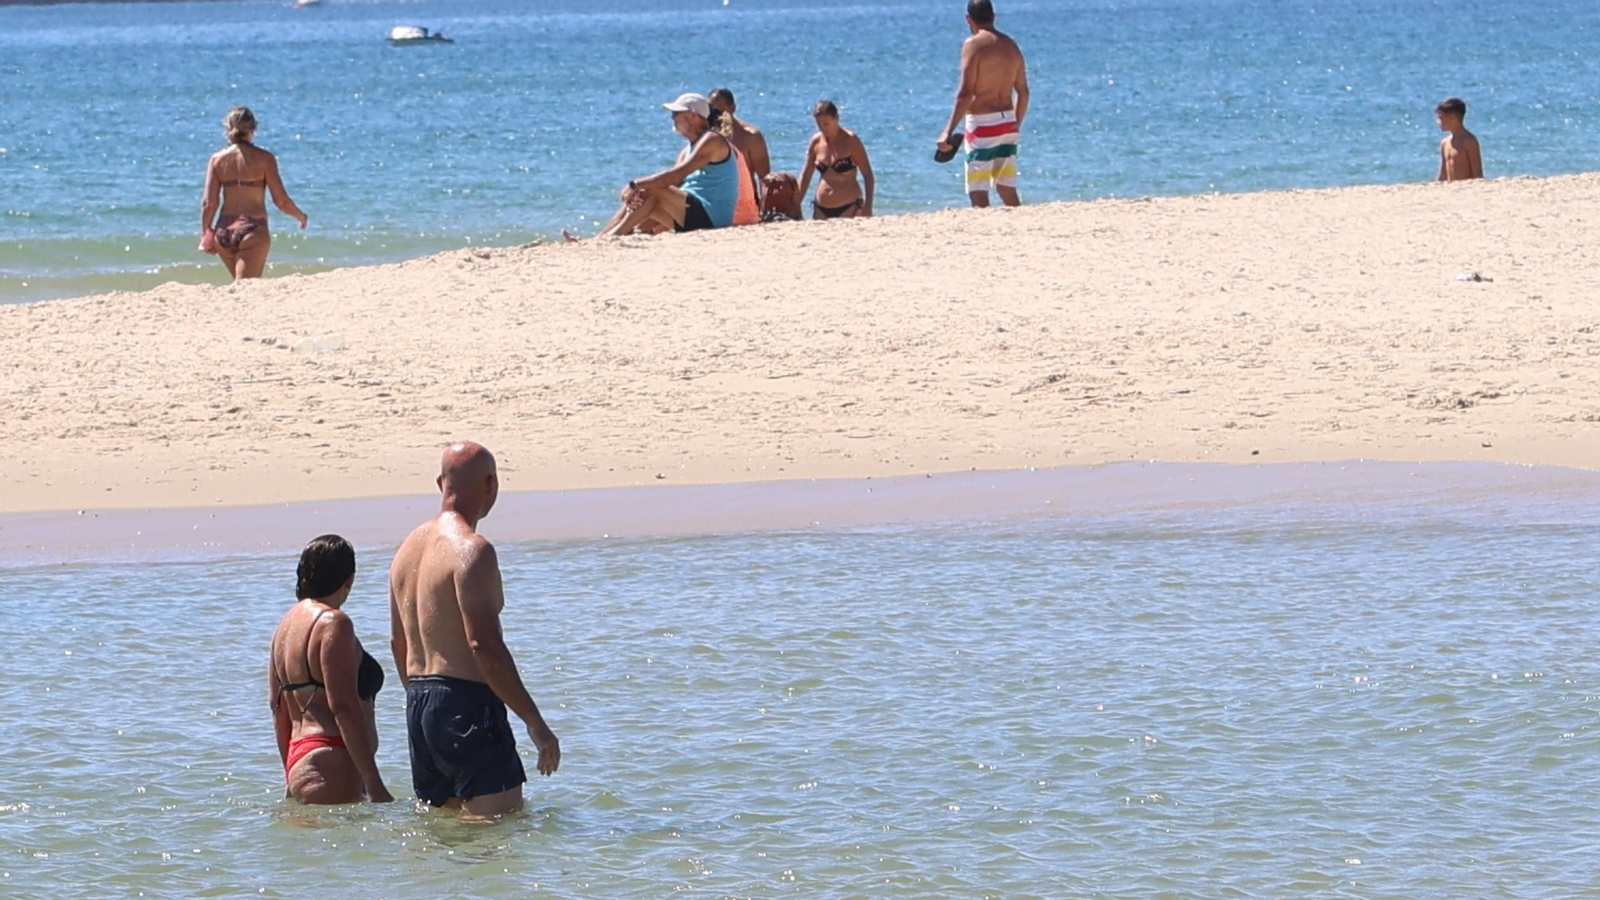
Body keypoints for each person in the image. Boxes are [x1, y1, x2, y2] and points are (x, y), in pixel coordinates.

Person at [389, 441, 560, 816]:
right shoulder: (472, 550)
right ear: (490, 486)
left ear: (441, 484)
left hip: (418, 703)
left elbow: (397, 642)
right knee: (497, 833)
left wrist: (429, 712)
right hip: (465, 703)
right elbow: (483, 644)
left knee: (448, 838)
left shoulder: (406, 552)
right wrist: (536, 723)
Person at [268, 535, 393, 805]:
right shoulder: (333, 623)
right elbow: (343, 707)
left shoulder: (283, 628)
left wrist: (289, 774)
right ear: (348, 580)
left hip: (300, 759)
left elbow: (278, 709)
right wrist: (374, 784)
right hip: (333, 760)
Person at [586, 94, 741, 238]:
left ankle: (613, 236)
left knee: (650, 188)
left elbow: (675, 176)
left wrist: (634, 184)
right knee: (641, 196)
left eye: (677, 113)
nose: (672, 117)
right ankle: (601, 238)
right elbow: (674, 182)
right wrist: (636, 191)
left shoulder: (712, 140)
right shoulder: (687, 150)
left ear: (693, 116)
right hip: (693, 212)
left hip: (712, 216)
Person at [936, 0, 1029, 208]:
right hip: (1008, 123)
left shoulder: (973, 44)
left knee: (978, 191)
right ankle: (1022, 229)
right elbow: (1023, 92)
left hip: (982, 125)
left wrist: (947, 131)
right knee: (1006, 188)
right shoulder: (1011, 46)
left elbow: (965, 93)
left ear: (969, 19)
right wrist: (1015, 123)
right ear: (993, 17)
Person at [200, 107, 308, 280]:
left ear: (228, 128)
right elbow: (281, 201)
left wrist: (206, 233)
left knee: (240, 285)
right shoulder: (265, 159)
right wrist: (300, 216)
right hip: (252, 230)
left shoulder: (216, 159)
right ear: (253, 128)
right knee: (246, 289)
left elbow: (209, 203)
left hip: (223, 232)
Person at [798, 101, 875, 220]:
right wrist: (796, 204)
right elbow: (806, 175)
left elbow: (868, 175)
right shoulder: (816, 142)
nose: (823, 128)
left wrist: (868, 206)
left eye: (826, 124)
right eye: (819, 125)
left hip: (849, 206)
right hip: (820, 207)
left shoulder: (850, 140)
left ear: (837, 119)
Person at [708, 88, 772, 179]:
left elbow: (764, 177)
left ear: (732, 108)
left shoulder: (751, 136)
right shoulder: (705, 136)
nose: (715, 116)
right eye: (711, 111)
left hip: (744, 191)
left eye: (719, 112)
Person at [1436, 97, 1483, 182]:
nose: (1438, 122)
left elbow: (1477, 174)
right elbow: (1443, 173)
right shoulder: (1445, 143)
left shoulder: (1469, 141)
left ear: (1452, 118)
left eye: (1441, 118)